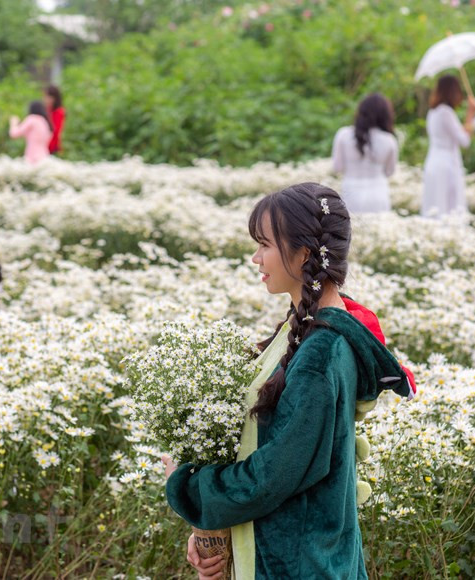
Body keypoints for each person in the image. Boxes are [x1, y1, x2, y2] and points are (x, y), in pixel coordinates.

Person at [163, 183, 413, 579]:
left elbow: (274, 475)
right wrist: (211, 531)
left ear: (304, 254)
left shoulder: (322, 352)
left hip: (300, 565)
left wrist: (191, 489)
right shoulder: (301, 328)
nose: (255, 258)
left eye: (265, 245)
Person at [422, 75, 475, 218]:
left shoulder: (433, 112)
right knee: (448, 207)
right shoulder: (445, 112)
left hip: (433, 161)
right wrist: (471, 114)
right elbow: (464, 140)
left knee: (435, 204)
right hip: (446, 164)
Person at [332, 93, 399, 213]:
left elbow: (337, 167)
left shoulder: (343, 135)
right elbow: (390, 172)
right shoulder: (389, 140)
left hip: (351, 192)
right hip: (378, 193)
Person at [45, 85, 66, 155]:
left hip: (53, 146)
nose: (46, 99)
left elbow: (56, 131)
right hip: (44, 146)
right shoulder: (46, 110)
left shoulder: (59, 112)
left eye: (48, 97)